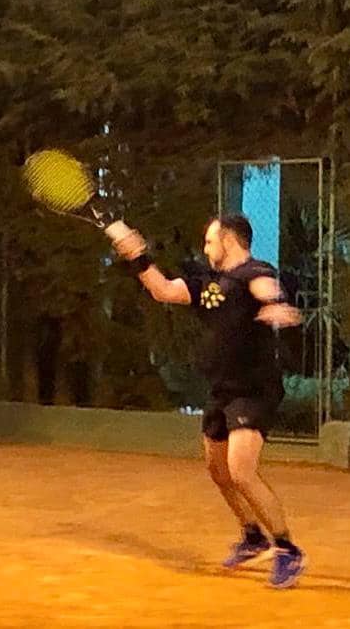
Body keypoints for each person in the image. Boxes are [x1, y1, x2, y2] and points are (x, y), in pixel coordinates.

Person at [111, 213, 306, 589]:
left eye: (210, 241)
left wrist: (276, 304)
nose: (205, 248)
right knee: (218, 471)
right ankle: (252, 536)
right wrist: (137, 256)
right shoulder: (208, 284)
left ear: (229, 240)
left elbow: (265, 287)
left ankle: (287, 549)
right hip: (221, 389)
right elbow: (163, 290)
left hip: (254, 389)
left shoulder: (253, 271)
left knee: (240, 470)